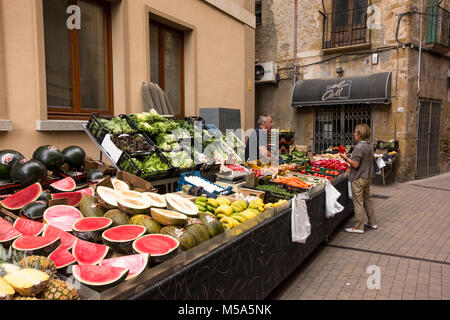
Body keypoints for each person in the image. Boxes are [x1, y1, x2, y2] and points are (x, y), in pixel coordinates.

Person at [340, 124, 377, 234]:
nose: (354, 134)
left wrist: (346, 158)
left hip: (359, 178)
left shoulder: (358, 147)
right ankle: (372, 222)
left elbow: (355, 164)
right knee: (367, 200)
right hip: (368, 177)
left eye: (355, 132)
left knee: (358, 202)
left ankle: (358, 227)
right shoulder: (369, 145)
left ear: (360, 134)